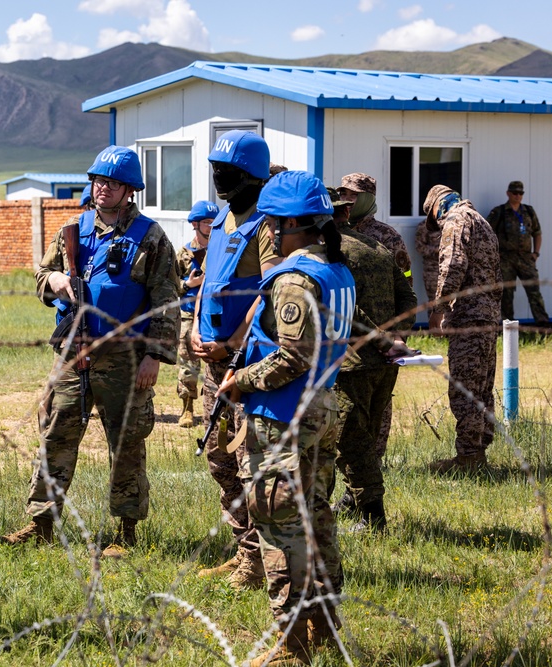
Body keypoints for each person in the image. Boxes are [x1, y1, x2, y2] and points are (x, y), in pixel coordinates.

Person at [3, 146, 179, 558]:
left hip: (127, 357)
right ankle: (42, 522)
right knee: (55, 436)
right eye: (99, 181)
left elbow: (166, 299)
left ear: (129, 191)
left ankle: (126, 531)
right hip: (73, 352)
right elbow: (40, 276)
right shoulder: (72, 231)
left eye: (113, 183)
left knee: (127, 443)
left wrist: (155, 354)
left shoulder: (151, 238)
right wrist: (56, 282)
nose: (103, 189)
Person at [216, 170, 355, 665]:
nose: (269, 231)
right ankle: (325, 620)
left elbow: (293, 355)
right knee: (315, 516)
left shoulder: (296, 278)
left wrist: (241, 381)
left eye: (274, 222)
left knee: (279, 524)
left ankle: (292, 641)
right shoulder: (335, 269)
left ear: (295, 222)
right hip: (321, 407)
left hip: (284, 416)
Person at [190, 131, 281, 590]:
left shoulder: (267, 224)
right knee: (219, 458)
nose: (217, 178)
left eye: (226, 172)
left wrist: (231, 347)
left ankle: (257, 562)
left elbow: (268, 294)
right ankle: (243, 545)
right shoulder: (224, 214)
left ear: (250, 176)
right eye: (215, 170)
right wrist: (193, 328)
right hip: (210, 361)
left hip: (244, 364)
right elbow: (209, 278)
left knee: (251, 462)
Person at [330, 189, 416, 532]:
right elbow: (408, 296)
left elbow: (344, 308)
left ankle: (373, 517)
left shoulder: (331, 253)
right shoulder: (376, 246)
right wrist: (397, 338)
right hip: (384, 362)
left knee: (351, 439)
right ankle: (353, 503)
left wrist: (381, 339)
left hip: (353, 362)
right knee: (366, 435)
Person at [423, 185, 501, 474]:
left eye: (434, 218)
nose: (438, 224)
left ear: (437, 206)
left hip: (468, 318)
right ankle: (478, 451)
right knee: (481, 387)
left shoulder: (456, 220)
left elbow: (452, 264)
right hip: (488, 315)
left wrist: (438, 309)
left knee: (465, 387)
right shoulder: (483, 222)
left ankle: (468, 458)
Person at [337, 172, 411, 460]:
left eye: (354, 195)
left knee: (378, 407)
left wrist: (397, 333)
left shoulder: (386, 237)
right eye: (343, 194)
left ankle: (374, 460)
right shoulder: (335, 232)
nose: (347, 200)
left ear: (367, 198)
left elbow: (405, 284)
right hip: (348, 336)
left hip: (382, 336)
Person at [174, 200, 218, 428]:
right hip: (189, 315)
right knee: (188, 364)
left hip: (215, 313)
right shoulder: (184, 254)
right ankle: (187, 408)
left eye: (214, 222)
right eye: (207, 223)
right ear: (195, 224)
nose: (211, 227)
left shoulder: (221, 249)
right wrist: (188, 284)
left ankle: (214, 408)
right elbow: (170, 286)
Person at [487, 180, 551, 325]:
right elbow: (488, 234)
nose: (517, 196)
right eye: (514, 193)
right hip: (506, 259)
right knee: (507, 293)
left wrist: (536, 253)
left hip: (526, 258)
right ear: (508, 193)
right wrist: (495, 255)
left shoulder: (528, 211)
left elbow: (537, 233)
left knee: (534, 290)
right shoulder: (499, 212)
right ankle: (508, 326)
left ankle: (543, 324)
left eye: (520, 193)